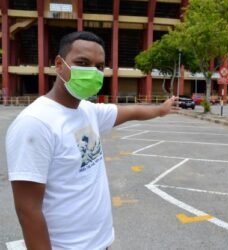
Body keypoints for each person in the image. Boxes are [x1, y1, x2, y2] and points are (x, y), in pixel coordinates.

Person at [6, 31, 177, 250]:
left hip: (101, 243)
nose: (92, 72)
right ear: (59, 65)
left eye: (99, 66)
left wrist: (160, 111)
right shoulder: (35, 123)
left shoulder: (87, 110)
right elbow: (28, 210)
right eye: (82, 63)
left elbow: (131, 111)